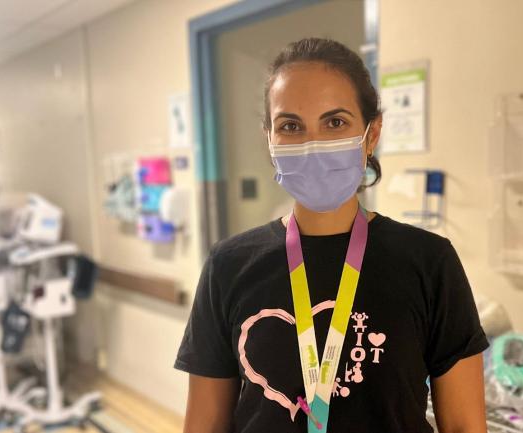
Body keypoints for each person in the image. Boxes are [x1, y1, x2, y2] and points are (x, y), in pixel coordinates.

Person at [175, 37, 489, 433]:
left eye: (335, 122)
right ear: (269, 140)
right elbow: (204, 425)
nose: (312, 144)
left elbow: (464, 426)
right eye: (290, 126)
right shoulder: (229, 265)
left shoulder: (428, 261)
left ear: (371, 134)